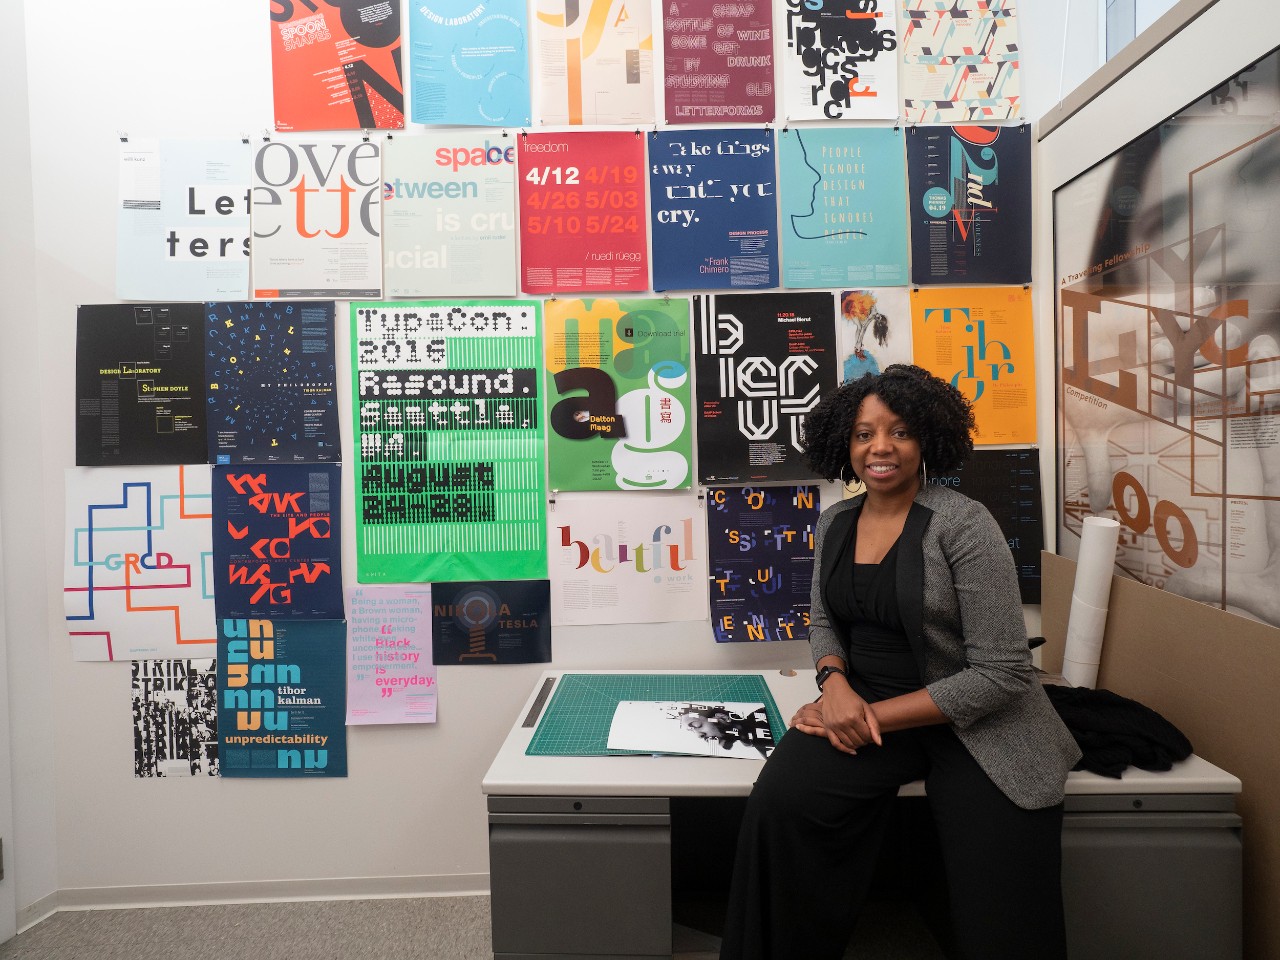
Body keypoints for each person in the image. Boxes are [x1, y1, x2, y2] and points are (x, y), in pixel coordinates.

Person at [720, 364, 1082, 960]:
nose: (880, 448)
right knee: (780, 806)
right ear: (845, 444)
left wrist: (871, 720)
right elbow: (823, 621)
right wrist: (833, 685)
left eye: (899, 431)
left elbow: (1002, 672)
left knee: (1000, 883)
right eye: (864, 434)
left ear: (928, 440)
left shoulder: (965, 524)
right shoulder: (835, 520)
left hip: (971, 717)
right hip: (858, 701)